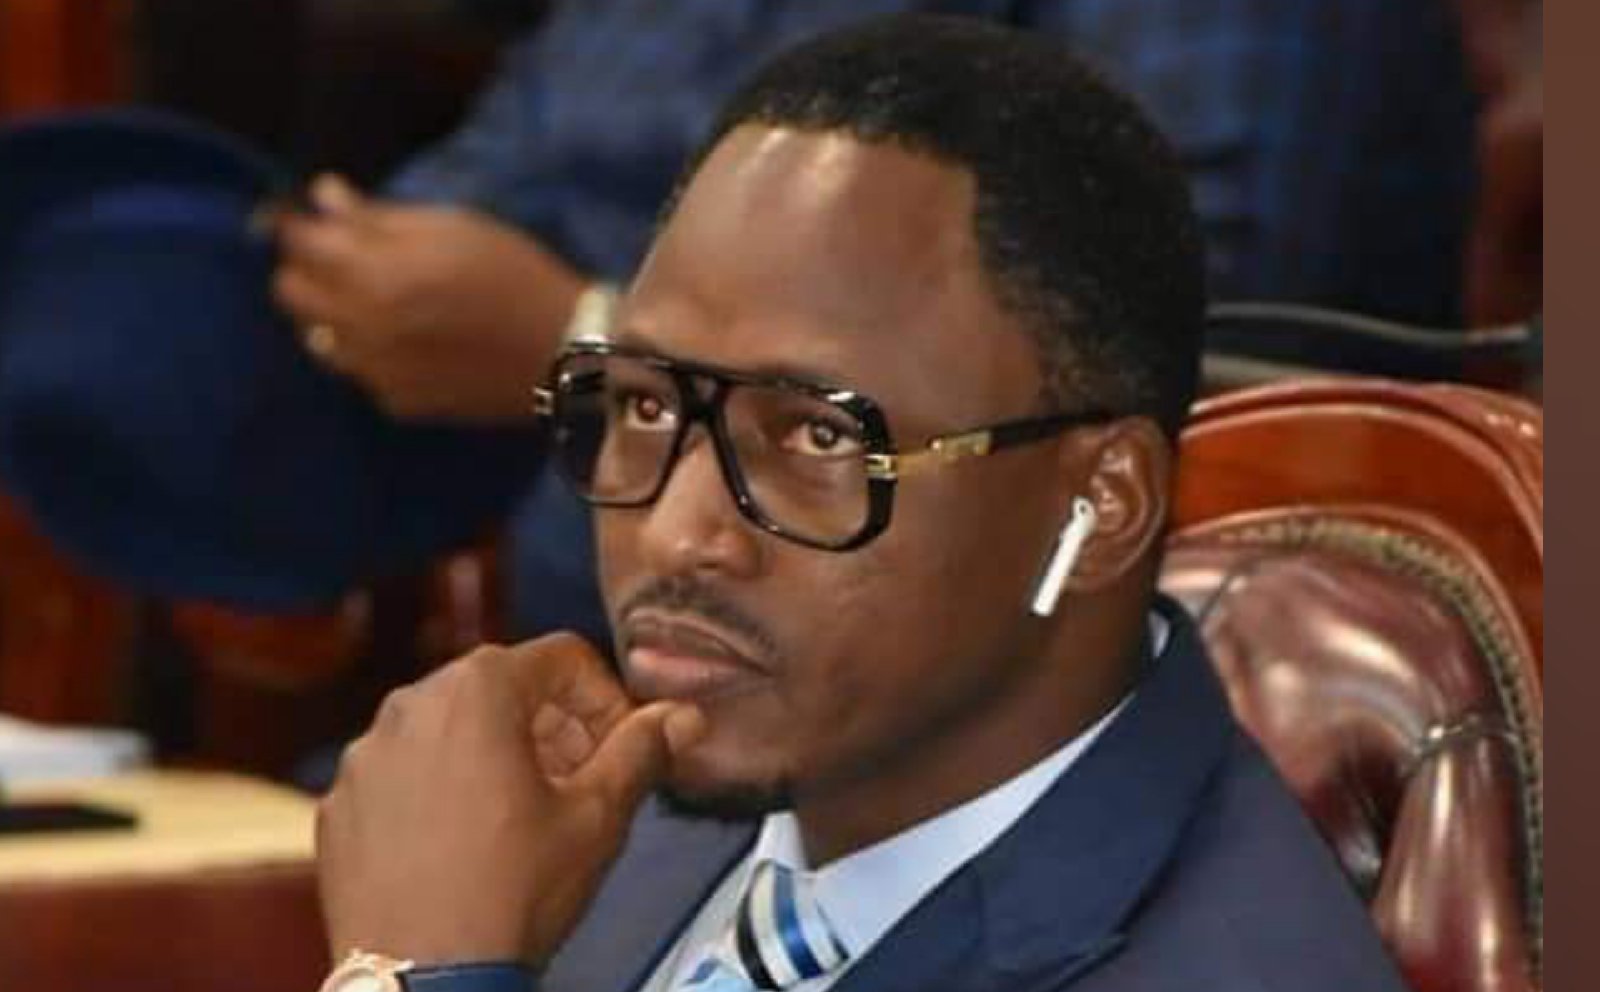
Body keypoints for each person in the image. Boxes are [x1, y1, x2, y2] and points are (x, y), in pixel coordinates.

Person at [294, 17, 1463, 992]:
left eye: (817, 436)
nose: (680, 533)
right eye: (644, 406)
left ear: (1101, 502)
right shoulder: (640, 825)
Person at [269, 0, 1477, 638]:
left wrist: (595, 340)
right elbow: (465, 203)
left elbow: (1183, 328)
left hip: (987, 764)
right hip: (598, 698)